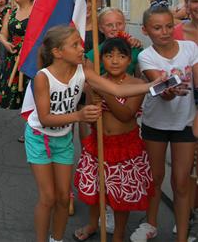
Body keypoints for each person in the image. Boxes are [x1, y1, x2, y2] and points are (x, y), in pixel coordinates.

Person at [25, 25, 157, 242]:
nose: (81, 49)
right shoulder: (43, 77)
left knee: (62, 197)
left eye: (81, 43)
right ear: (58, 52)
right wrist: (80, 116)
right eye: (75, 45)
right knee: (48, 198)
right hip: (41, 138)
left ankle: (56, 239)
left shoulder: (83, 70)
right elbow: (46, 118)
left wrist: (152, 85)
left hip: (64, 138)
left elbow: (117, 90)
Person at [73, 38, 153, 242]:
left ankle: (118, 234)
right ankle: (93, 224)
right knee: (96, 190)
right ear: (103, 60)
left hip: (125, 148)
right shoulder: (96, 81)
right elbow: (90, 111)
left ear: (129, 60)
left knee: (121, 196)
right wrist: (91, 106)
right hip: (98, 144)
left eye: (121, 56)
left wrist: (105, 93)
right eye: (109, 56)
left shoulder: (137, 84)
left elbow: (126, 115)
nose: (115, 61)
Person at [129, 5, 198, 242]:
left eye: (169, 26)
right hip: (155, 124)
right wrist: (168, 89)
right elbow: (160, 89)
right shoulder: (146, 56)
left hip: (185, 124)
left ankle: (182, 232)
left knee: (181, 182)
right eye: (157, 28)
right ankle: (151, 223)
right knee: (155, 178)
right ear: (146, 30)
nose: (165, 32)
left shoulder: (190, 48)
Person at [0, 0, 35, 142]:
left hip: (33, 59)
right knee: (19, 94)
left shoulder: (38, 12)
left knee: (33, 93)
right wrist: (6, 44)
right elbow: (2, 34)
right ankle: (30, 127)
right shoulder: (10, 13)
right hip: (14, 58)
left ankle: (32, 129)